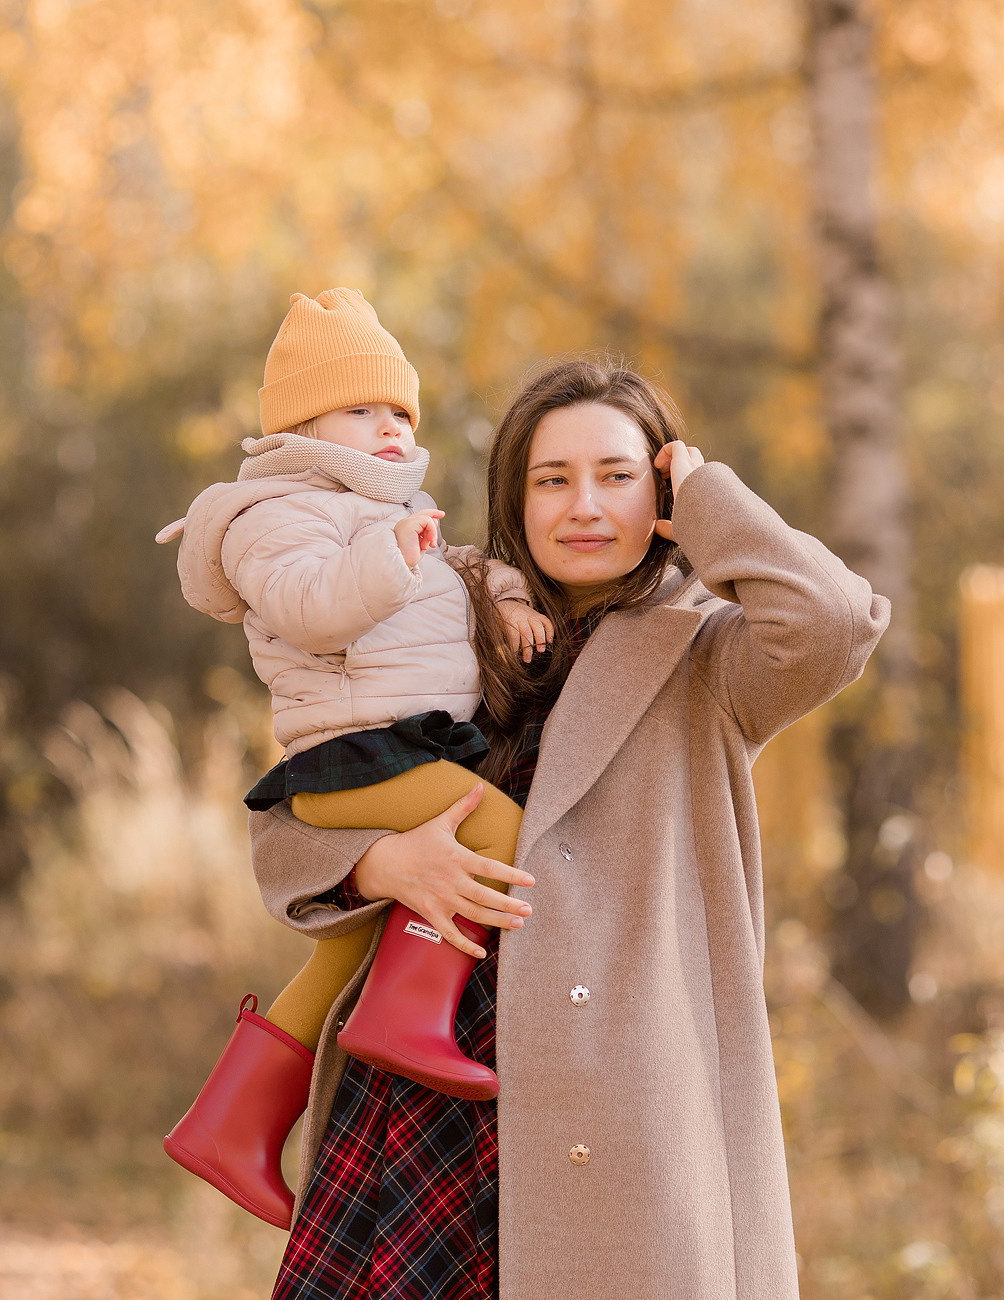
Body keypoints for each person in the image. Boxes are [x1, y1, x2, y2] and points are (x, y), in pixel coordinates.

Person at [251, 356, 889, 1299]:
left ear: (660, 493)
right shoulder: (441, 621)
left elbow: (833, 621)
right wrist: (386, 865)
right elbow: (293, 812)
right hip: (426, 1096)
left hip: (621, 1113)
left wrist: (709, 498)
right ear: (516, 499)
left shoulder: (711, 659)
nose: (584, 506)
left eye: (617, 476)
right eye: (552, 480)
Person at [155, 288, 553, 1229]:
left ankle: (231, 1128)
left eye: (400, 412)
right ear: (301, 428)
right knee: (502, 832)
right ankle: (406, 1018)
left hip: (401, 752)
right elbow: (311, 605)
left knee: (347, 948)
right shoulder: (271, 515)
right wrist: (392, 557)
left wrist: (504, 594)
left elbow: (459, 568)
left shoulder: (392, 513)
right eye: (361, 409)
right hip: (353, 759)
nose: (389, 428)